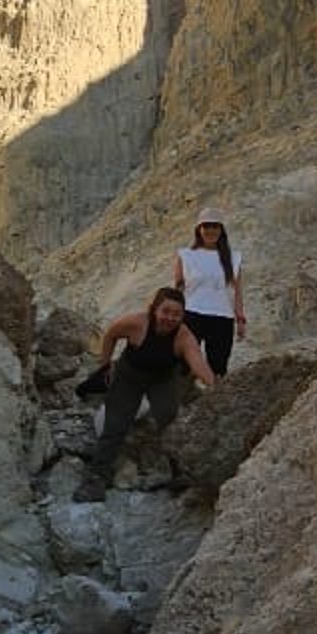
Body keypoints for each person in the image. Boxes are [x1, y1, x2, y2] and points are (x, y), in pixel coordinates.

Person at [75, 287, 215, 498]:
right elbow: (111, 334)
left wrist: (214, 386)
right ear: (154, 309)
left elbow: (198, 363)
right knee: (116, 423)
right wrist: (105, 366)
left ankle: (179, 473)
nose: (170, 318)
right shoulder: (137, 323)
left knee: (170, 419)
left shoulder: (184, 337)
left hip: (163, 379)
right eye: (165, 311)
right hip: (129, 375)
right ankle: (96, 478)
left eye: (177, 314)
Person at [173, 206, 245, 375]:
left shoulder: (233, 258)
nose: (211, 230)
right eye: (206, 226)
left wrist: (240, 319)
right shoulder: (185, 255)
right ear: (199, 229)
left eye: (215, 226)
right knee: (184, 365)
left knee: (218, 367)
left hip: (222, 317)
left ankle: (213, 401)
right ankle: (184, 399)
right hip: (191, 315)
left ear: (221, 229)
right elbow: (178, 288)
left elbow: (237, 292)